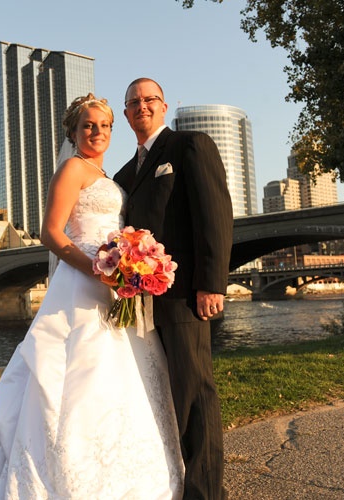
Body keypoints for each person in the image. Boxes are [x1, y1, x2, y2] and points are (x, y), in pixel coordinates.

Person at [0, 93, 184, 499]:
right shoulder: (72, 168)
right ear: (73, 132)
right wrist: (98, 270)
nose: (97, 132)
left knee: (122, 371)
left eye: (104, 126)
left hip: (113, 283)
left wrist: (128, 264)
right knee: (79, 371)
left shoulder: (109, 177)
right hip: (85, 282)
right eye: (88, 125)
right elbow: (51, 233)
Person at [113, 78, 233, 500]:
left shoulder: (190, 146)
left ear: (163, 106)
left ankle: (205, 493)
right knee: (161, 397)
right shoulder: (124, 174)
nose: (142, 106)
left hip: (184, 298)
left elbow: (214, 214)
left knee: (193, 395)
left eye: (150, 99)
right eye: (133, 102)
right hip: (140, 303)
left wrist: (211, 284)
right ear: (126, 114)